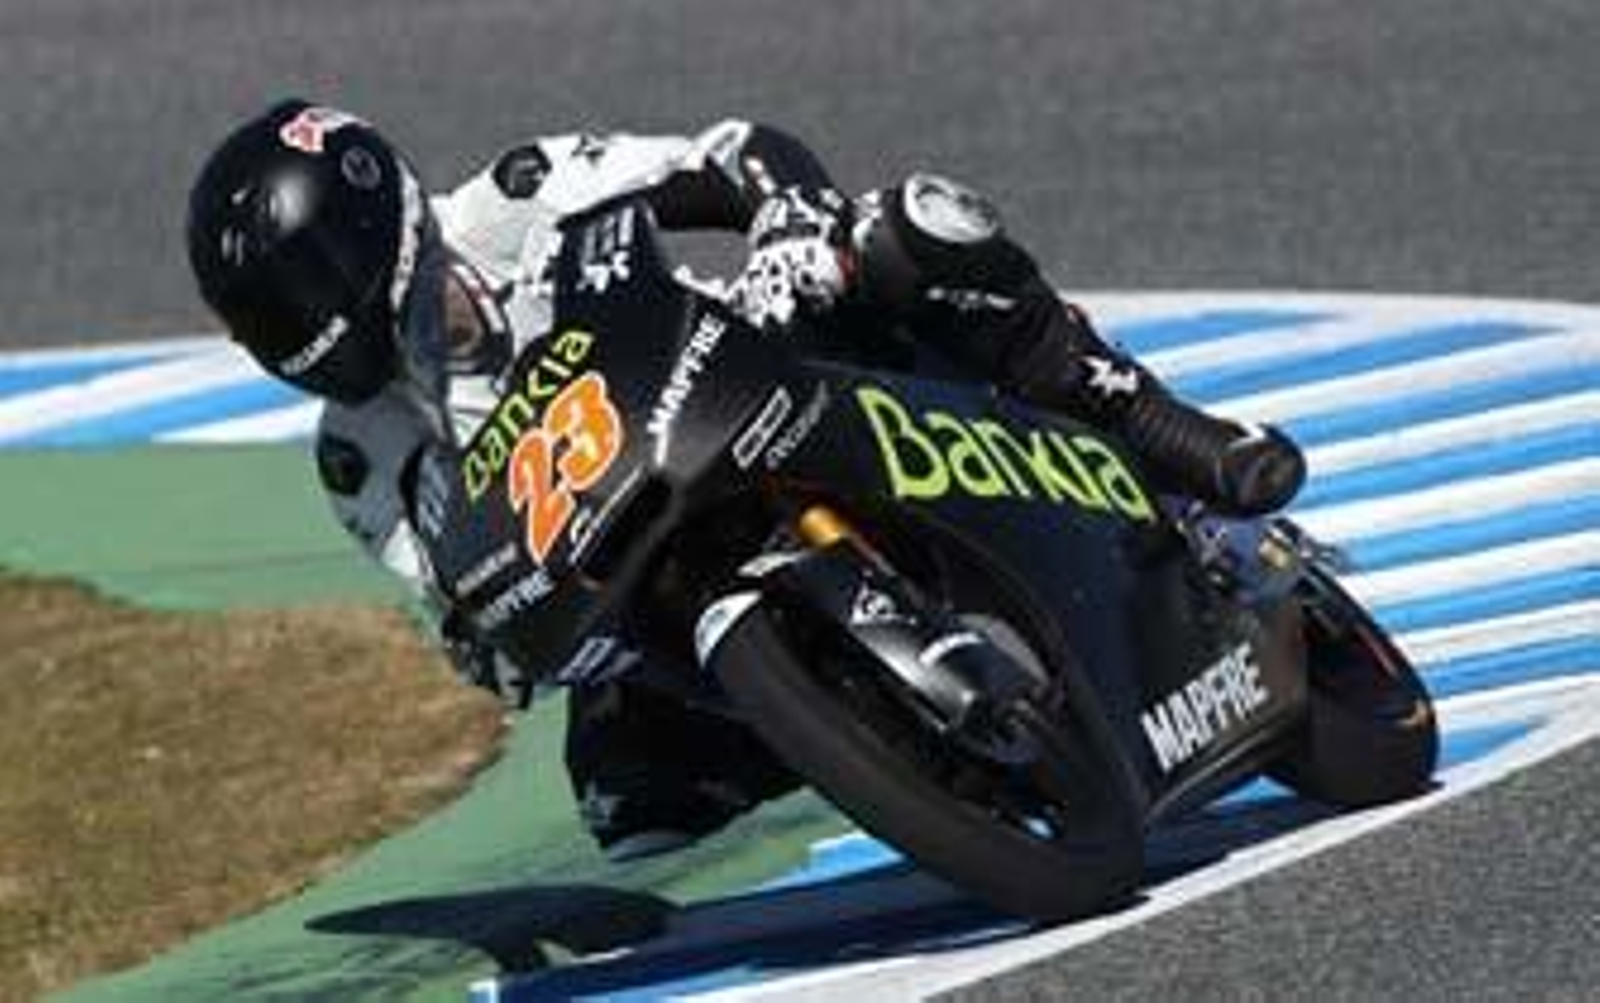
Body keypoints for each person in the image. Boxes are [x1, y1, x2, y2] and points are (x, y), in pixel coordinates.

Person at [186, 100, 1305, 860]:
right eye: (272, 320)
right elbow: (450, 588)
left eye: (306, 290)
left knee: (910, 229)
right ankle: (891, 735)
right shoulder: (357, 452)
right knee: (631, 804)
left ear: (376, 226)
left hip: (760, 382)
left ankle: (1167, 432)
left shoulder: (521, 194)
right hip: (647, 559)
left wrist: (786, 224)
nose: (306, 330)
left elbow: (728, 154)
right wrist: (483, 642)